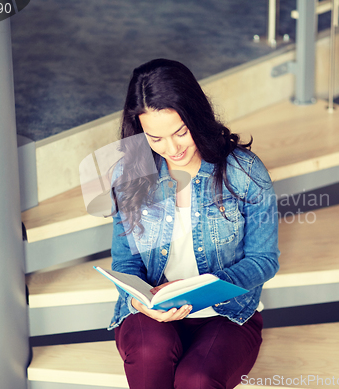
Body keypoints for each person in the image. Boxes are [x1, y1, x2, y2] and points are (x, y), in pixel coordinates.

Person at [108, 58, 280, 389]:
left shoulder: (244, 173)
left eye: (181, 132)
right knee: (149, 352)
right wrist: (139, 301)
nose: (172, 149)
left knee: (196, 380)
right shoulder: (129, 174)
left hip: (226, 314)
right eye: (155, 138)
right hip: (153, 316)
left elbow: (264, 259)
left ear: (196, 117)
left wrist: (210, 286)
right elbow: (125, 262)